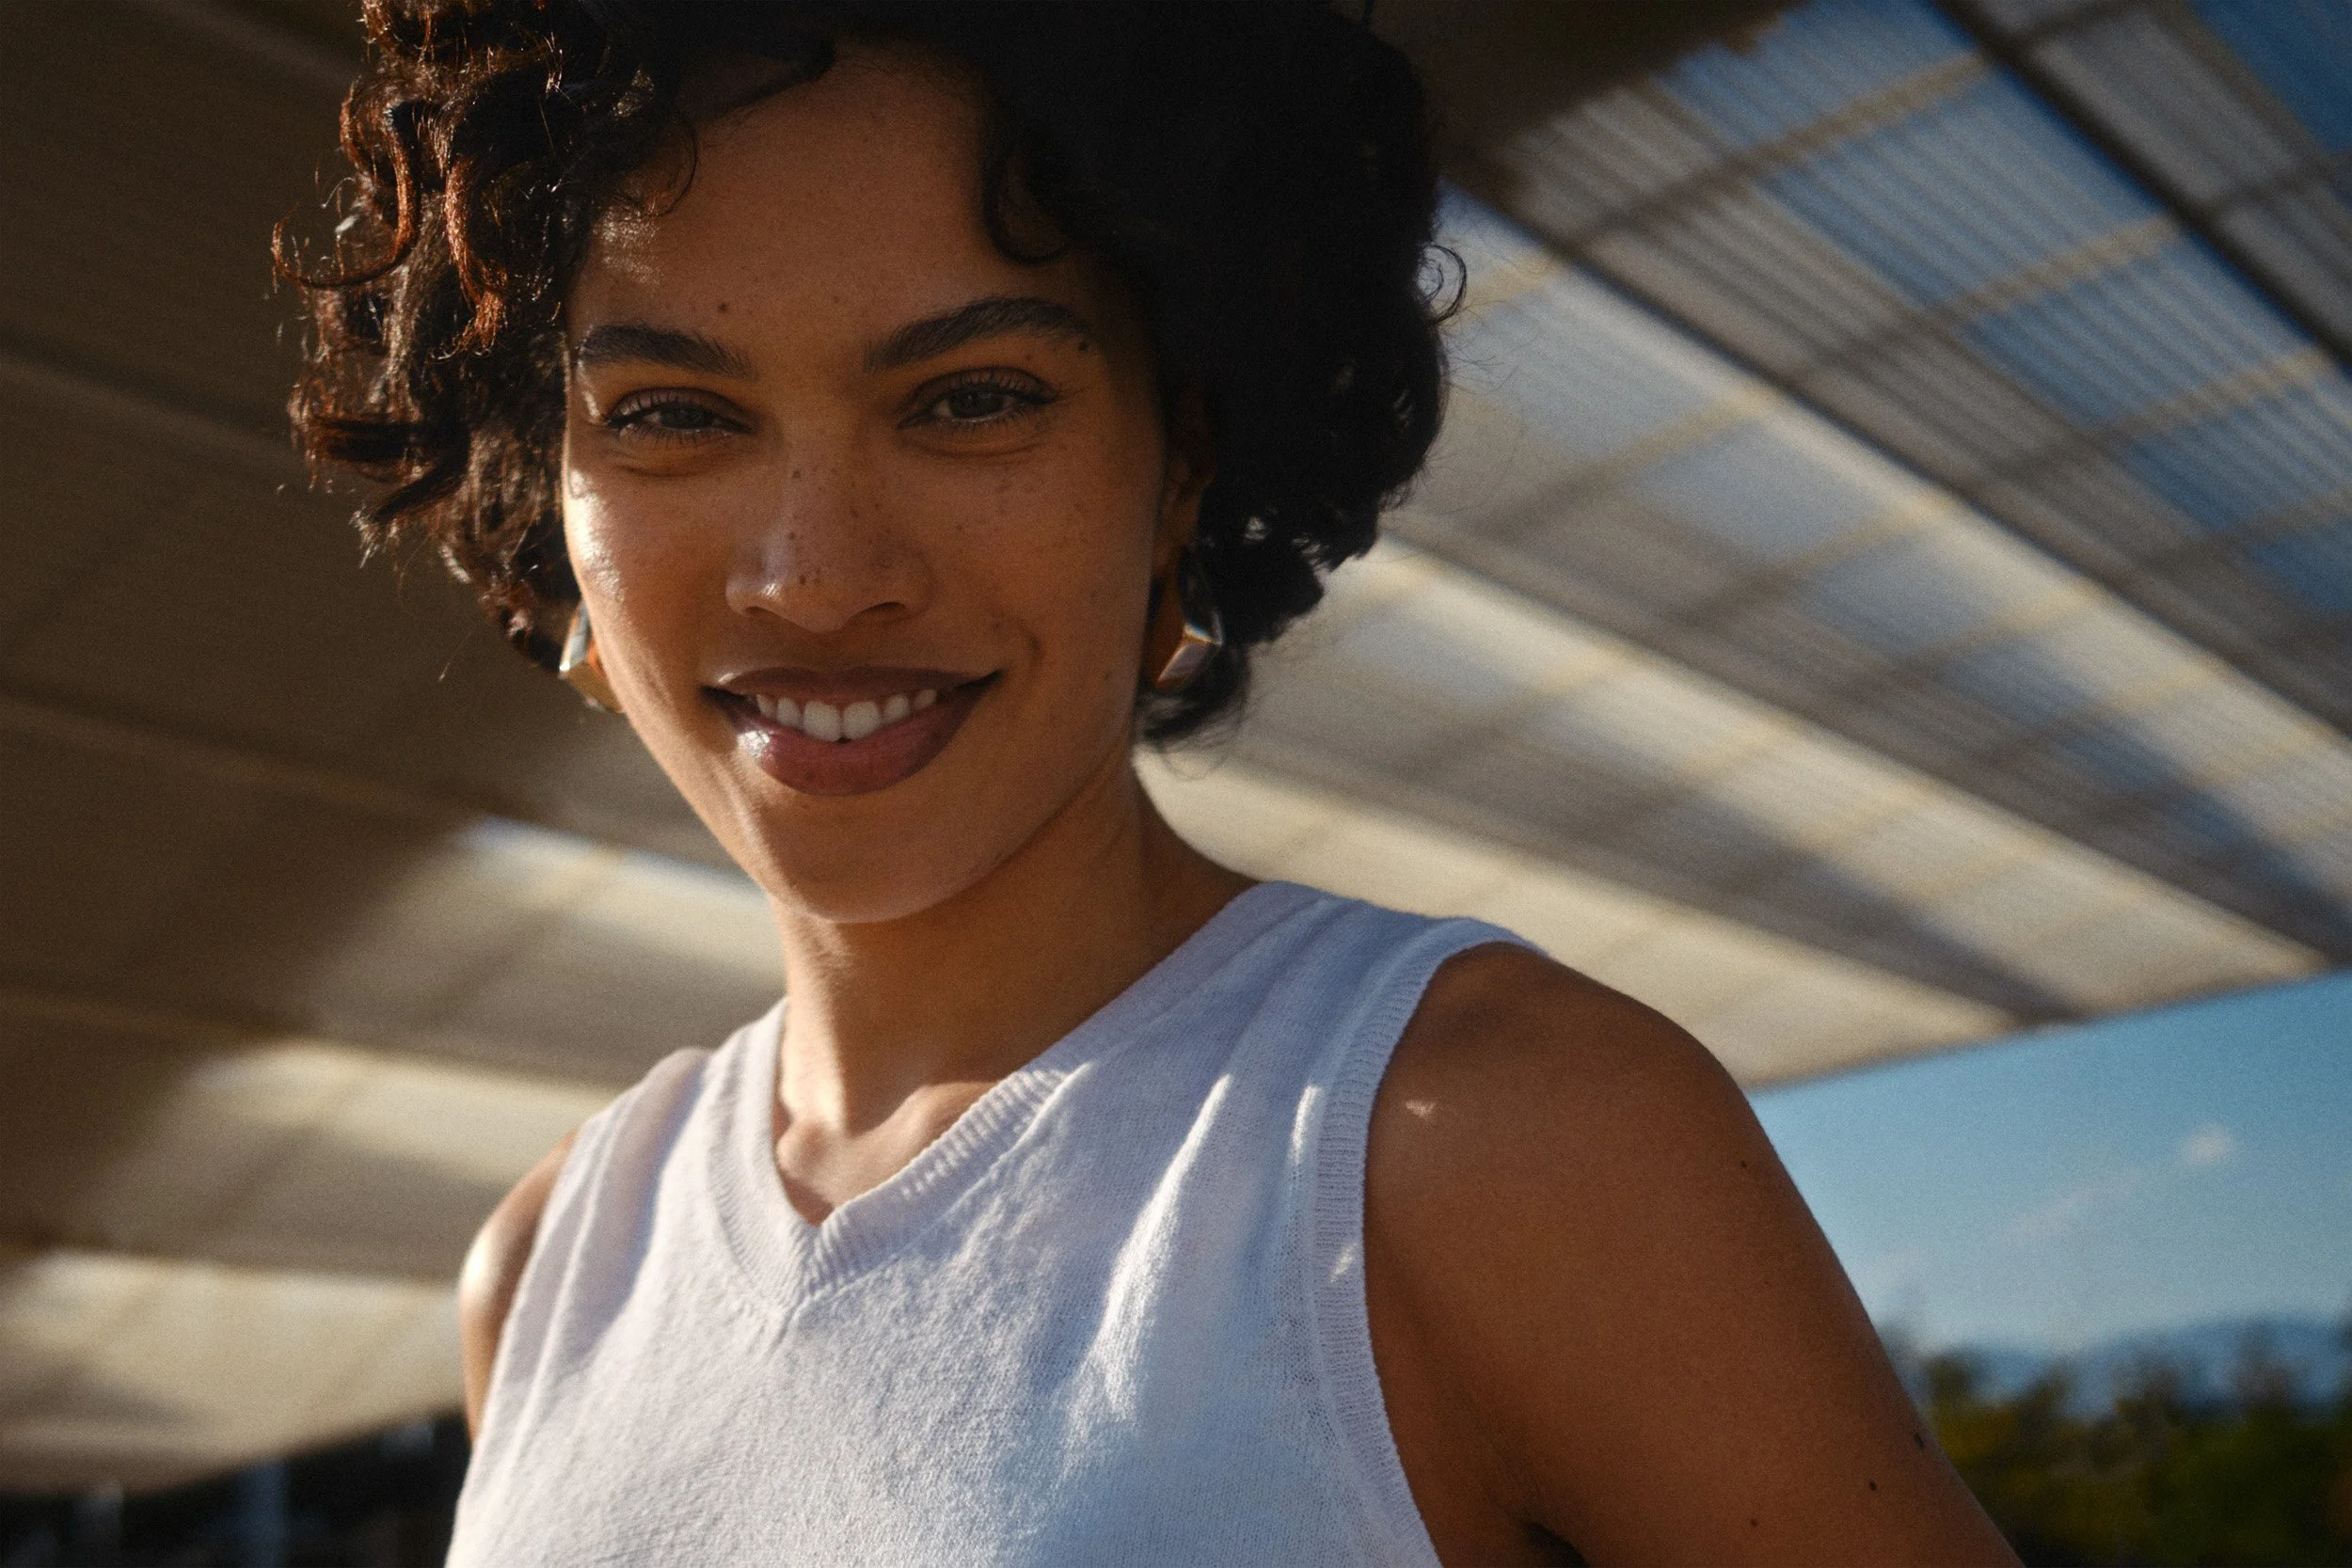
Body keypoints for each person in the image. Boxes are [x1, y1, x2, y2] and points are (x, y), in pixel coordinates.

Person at [280, 3, 2019, 1561]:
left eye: (971, 398)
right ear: (545, 499)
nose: (818, 573)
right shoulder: (550, 1263)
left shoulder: (1485, 1139)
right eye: (669, 414)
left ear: (1184, 463)